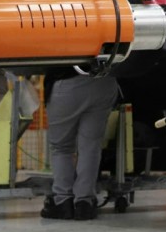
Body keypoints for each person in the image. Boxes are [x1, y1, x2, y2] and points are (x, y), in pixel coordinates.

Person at [40, 67, 120, 221]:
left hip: (66, 83)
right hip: (104, 82)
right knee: (91, 146)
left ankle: (62, 201)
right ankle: (85, 203)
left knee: (62, 147)